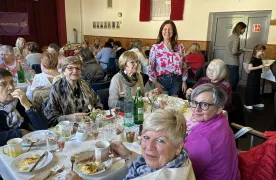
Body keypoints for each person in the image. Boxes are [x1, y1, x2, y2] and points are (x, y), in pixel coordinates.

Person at [65, 109, 196, 180]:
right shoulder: (181, 159)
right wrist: (128, 155)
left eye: (160, 140)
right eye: (146, 137)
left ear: (178, 146)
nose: (149, 147)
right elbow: (149, 166)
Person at [0, 68, 49, 157]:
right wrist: (20, 132)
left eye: (11, 82)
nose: (11, 87)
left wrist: (27, 105)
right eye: (3, 84)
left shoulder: (19, 101)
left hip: (25, 148)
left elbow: (43, 127)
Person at [184, 84, 239, 180]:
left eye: (204, 104)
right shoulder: (221, 119)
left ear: (219, 109)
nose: (196, 109)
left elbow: (184, 171)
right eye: (194, 102)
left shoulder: (202, 139)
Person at [44, 56, 102, 126]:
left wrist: (97, 110)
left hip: (88, 125)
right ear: (64, 71)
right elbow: (50, 116)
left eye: (77, 68)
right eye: (70, 68)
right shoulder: (57, 88)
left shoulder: (84, 84)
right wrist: (68, 118)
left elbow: (97, 102)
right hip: (68, 129)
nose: (75, 71)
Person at [149, 20, 188, 96]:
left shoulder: (180, 46)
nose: (167, 31)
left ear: (174, 31)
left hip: (176, 81)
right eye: (165, 29)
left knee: (174, 104)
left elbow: (184, 65)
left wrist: (184, 81)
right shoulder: (156, 48)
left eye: (170, 29)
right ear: (161, 31)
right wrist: (156, 83)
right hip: (161, 81)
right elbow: (151, 67)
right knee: (161, 104)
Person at [223, 22, 247, 91]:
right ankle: (231, 95)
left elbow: (231, 49)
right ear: (240, 29)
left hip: (227, 61)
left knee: (229, 79)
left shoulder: (231, 36)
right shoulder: (236, 38)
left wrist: (239, 50)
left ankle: (228, 94)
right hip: (232, 62)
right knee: (234, 81)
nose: (244, 31)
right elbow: (234, 52)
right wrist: (241, 51)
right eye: (244, 29)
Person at [244, 44, 266, 110]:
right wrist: (259, 67)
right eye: (262, 51)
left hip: (257, 76)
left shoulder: (259, 58)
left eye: (263, 51)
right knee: (251, 89)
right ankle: (247, 103)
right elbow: (249, 68)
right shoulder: (253, 59)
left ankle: (256, 102)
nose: (263, 52)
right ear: (257, 51)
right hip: (252, 77)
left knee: (256, 89)